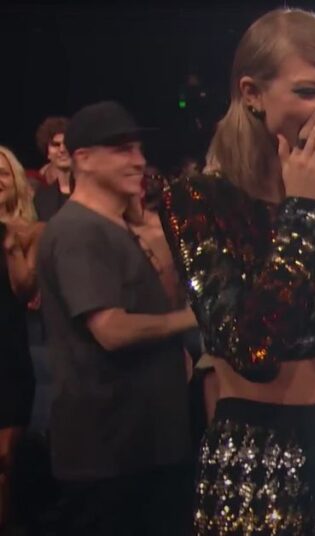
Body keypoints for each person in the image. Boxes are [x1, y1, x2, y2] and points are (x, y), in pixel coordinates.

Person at [159, 9, 315, 533]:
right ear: (252, 93)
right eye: (310, 91)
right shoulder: (198, 199)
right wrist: (303, 210)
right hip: (255, 452)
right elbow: (251, 349)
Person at [35, 101, 196, 535]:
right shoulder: (78, 231)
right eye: (123, 150)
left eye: (139, 149)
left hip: (138, 447)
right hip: (110, 453)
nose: (139, 161)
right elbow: (111, 329)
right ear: (83, 159)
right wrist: (190, 319)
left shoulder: (110, 226)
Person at [0, 147, 41, 532]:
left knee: (7, 461)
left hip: (11, 355)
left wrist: (11, 243)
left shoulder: (32, 231)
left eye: (4, 173)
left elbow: (25, 290)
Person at [32, 117, 74, 221]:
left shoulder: (93, 191)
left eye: (67, 144)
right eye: (56, 145)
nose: (62, 149)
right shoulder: (40, 197)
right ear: (48, 153)